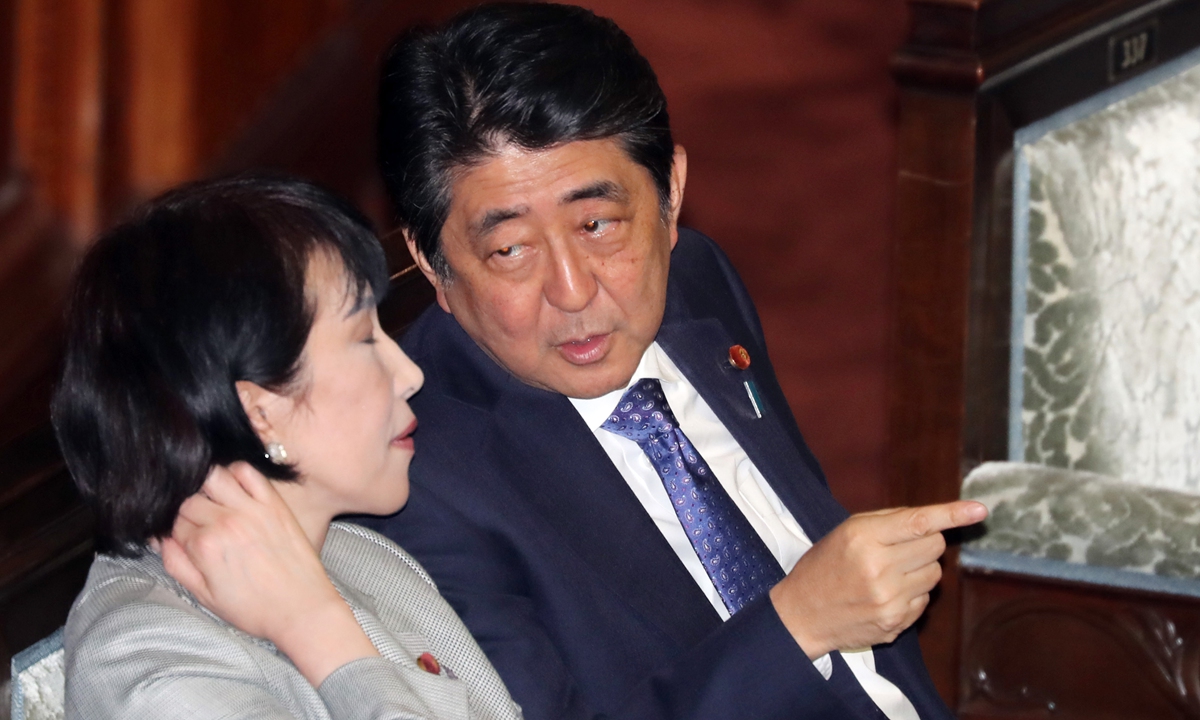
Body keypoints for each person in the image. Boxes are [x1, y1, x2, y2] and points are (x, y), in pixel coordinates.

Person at [365, 4, 988, 720]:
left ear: (672, 198)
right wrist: (799, 624)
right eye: (511, 250)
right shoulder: (418, 479)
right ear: (430, 262)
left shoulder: (696, 283)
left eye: (598, 225)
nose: (574, 292)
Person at [53, 176, 523, 719]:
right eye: (365, 339)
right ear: (259, 411)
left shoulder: (359, 554)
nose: (409, 374)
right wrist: (318, 631)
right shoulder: (154, 668)